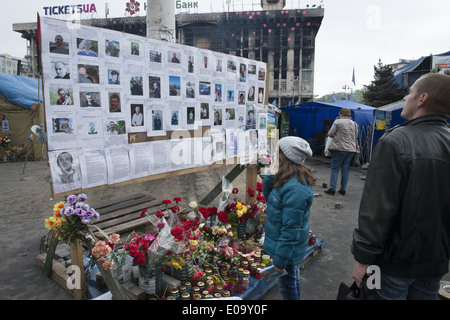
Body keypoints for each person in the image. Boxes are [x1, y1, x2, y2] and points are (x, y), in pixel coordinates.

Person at [351, 73, 450, 300]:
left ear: (422, 98)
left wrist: (362, 259)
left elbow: (376, 212)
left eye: (410, 93)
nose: (405, 98)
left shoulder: (395, 142)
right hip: (435, 265)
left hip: (392, 267)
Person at [263, 136, 315, 300]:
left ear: (284, 156)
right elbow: (268, 198)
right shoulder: (285, 176)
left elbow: (291, 230)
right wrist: (272, 172)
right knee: (292, 279)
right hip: (283, 245)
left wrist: (280, 260)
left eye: (276, 151)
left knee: (287, 286)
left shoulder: (296, 189)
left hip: (286, 248)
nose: (273, 154)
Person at [324, 108, 359, 196]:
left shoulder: (338, 122)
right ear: (349, 115)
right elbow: (356, 135)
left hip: (339, 148)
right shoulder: (354, 124)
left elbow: (331, 134)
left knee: (335, 168)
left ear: (341, 114)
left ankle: (332, 188)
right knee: (345, 168)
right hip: (351, 149)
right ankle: (343, 189)